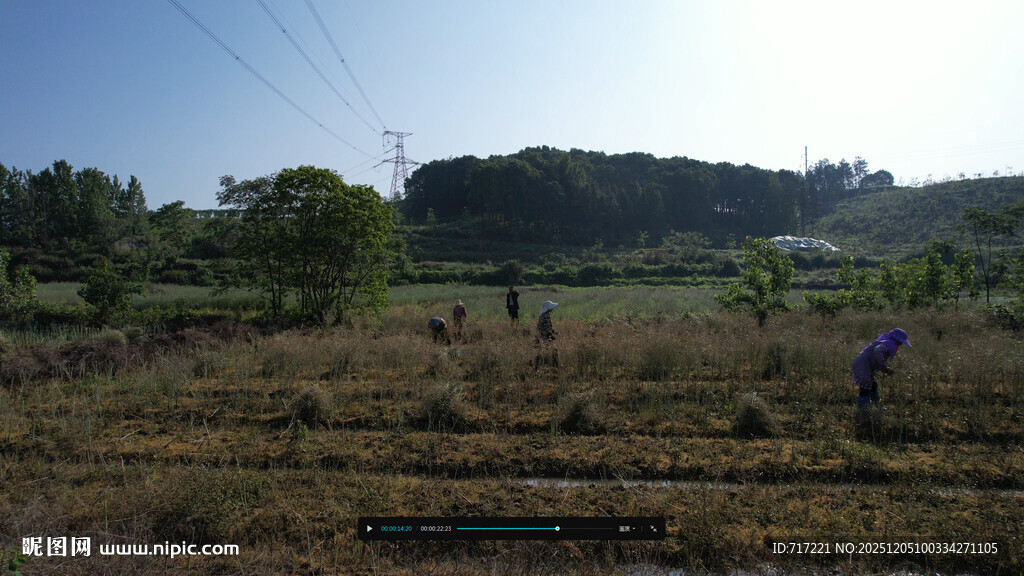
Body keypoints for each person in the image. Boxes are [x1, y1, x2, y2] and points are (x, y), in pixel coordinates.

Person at [852, 328, 911, 409]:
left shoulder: (886, 341)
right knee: (865, 388)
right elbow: (878, 351)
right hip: (863, 364)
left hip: (865, 363)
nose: (901, 344)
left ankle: (876, 405)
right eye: (901, 341)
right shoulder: (889, 343)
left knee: (873, 385)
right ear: (897, 339)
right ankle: (863, 410)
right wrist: (883, 366)